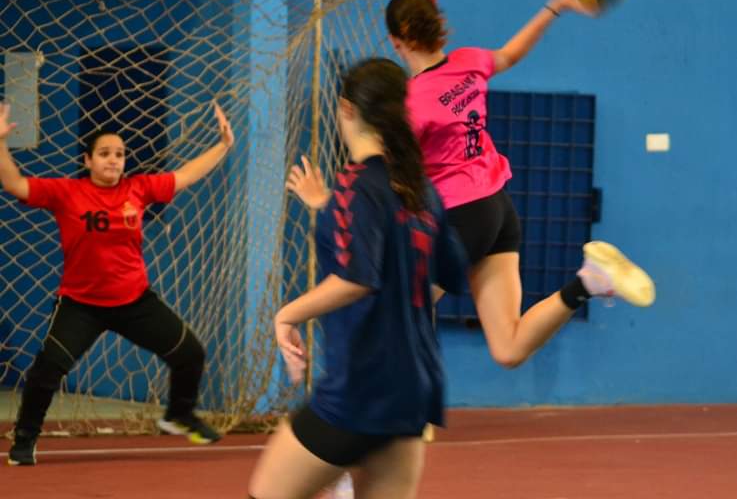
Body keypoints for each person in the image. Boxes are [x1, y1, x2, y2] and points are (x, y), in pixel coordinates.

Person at [383, 0, 655, 371]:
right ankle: (590, 282)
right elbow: (511, 52)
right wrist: (555, 5)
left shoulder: (413, 103)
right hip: (498, 210)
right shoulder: (469, 61)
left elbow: (396, 175)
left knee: (402, 307)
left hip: (464, 217)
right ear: (437, 26)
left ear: (396, 42)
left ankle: (415, 411)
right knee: (508, 348)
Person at [248, 58, 468, 499]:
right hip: (415, 390)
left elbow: (358, 278)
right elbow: (450, 273)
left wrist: (285, 315)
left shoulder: (355, 185)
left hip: (359, 390)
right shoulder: (421, 190)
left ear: (346, 108)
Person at [1, 102, 234, 466]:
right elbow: (13, 182)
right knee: (47, 369)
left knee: (190, 353)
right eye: (105, 154)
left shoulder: (139, 189)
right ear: (89, 159)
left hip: (134, 301)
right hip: (81, 304)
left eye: (120, 154)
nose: (113, 160)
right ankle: (25, 439)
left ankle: (179, 415)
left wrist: (223, 145)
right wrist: (0, 141)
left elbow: (187, 175)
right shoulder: (66, 193)